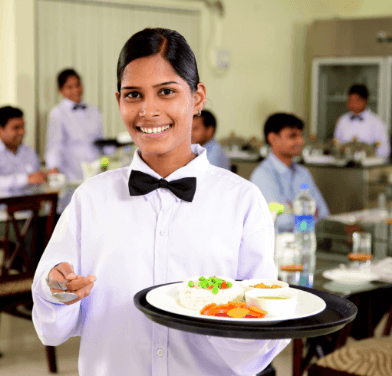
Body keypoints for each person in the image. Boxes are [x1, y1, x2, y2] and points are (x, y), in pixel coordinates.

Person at [32, 28, 289, 376]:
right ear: (119, 100)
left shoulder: (242, 201)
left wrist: (224, 311)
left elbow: (256, 349)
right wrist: (58, 289)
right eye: (133, 95)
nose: (148, 110)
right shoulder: (90, 199)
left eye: (166, 92)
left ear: (197, 97)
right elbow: (52, 326)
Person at [250, 113, 329, 232]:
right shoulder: (262, 175)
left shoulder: (303, 172)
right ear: (273, 138)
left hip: (306, 242)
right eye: (293, 136)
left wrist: (295, 211)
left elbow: (323, 214)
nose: (300, 141)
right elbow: (281, 221)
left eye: (300, 135)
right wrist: (307, 214)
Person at [45, 69, 105, 181]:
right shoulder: (57, 113)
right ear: (60, 90)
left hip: (96, 169)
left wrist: (107, 162)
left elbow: (101, 141)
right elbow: (54, 144)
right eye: (69, 87)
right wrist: (53, 167)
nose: (76, 90)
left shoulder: (94, 110)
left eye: (78, 85)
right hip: (71, 171)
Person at [334, 84, 390, 158]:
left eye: (356, 100)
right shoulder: (342, 120)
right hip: (345, 165)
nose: (352, 104)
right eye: (350, 100)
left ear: (365, 101)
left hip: (369, 165)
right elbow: (336, 144)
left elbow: (384, 150)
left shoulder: (376, 122)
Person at [0, 106, 46, 191]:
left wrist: (46, 177)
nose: (22, 132)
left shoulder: (29, 152)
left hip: (30, 203)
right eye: (16, 128)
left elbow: (38, 184)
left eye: (23, 127)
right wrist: (26, 179)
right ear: (1, 129)